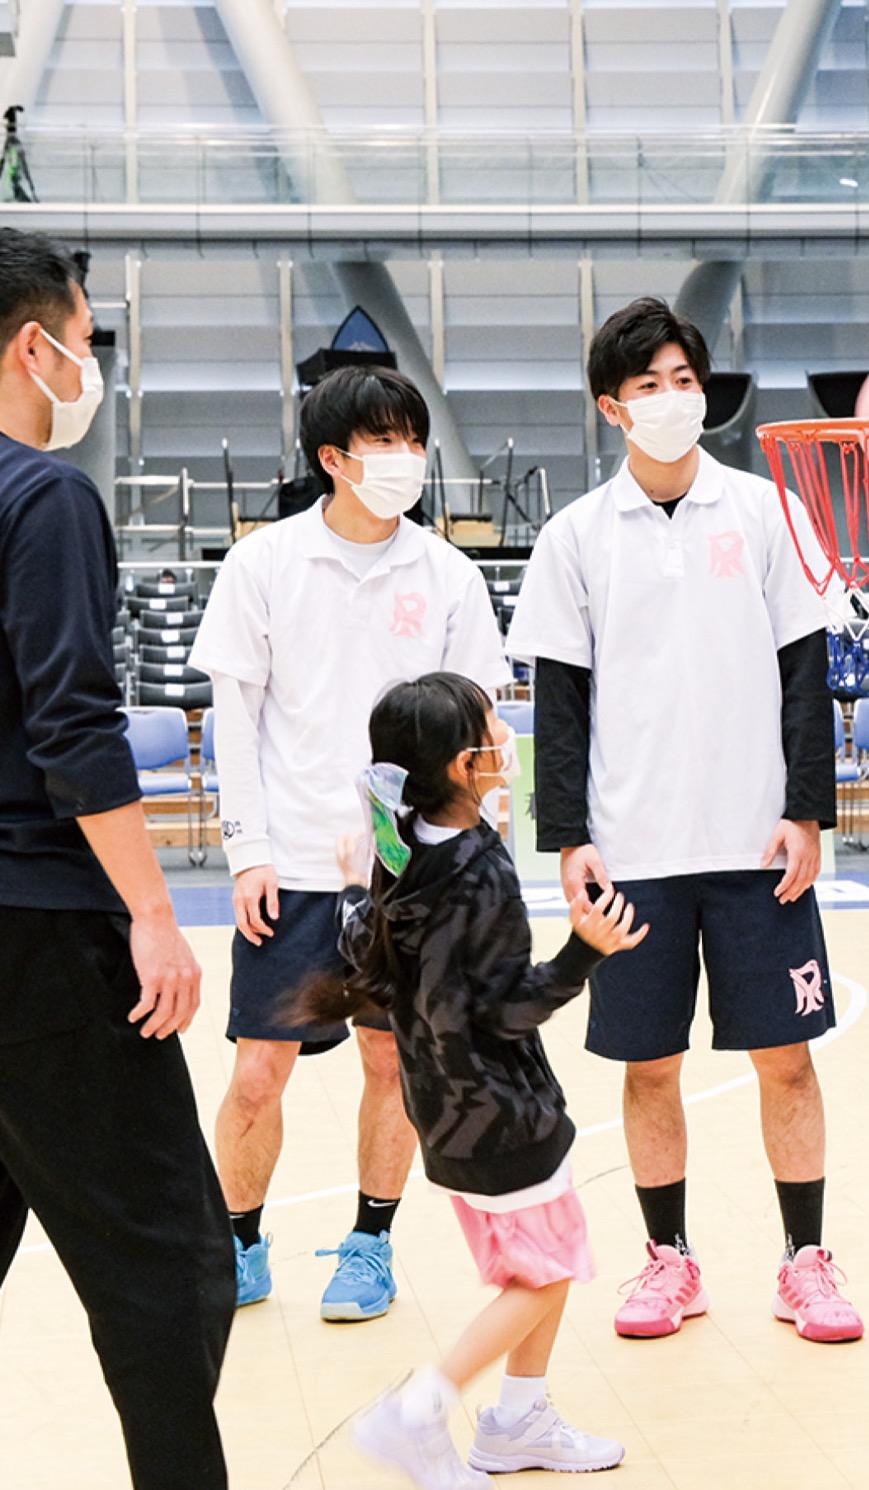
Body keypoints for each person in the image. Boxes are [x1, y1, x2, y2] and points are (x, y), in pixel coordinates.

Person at [505, 296, 863, 1344]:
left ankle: (806, 1262)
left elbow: (806, 674)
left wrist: (806, 811)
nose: (672, 399)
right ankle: (670, 1261)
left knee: (787, 1058)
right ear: (611, 407)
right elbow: (560, 704)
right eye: (649, 385)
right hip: (634, 851)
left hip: (758, 846)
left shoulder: (767, 512)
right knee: (647, 1063)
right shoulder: (576, 536)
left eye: (685, 380)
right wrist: (570, 838)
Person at [189, 365, 510, 1318]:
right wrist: (247, 851)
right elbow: (235, 722)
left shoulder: (448, 575)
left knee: (391, 1063)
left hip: (405, 875)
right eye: (383, 440)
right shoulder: (264, 564)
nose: (406, 456)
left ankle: (370, 1244)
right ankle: (238, 1243)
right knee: (259, 1072)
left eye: (414, 439)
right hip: (292, 866)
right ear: (332, 457)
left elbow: (481, 734)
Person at [0, 226, 234, 1487]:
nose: (93, 366)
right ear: (35, 347)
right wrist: (150, 907)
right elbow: (75, 725)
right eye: (89, 341)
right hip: (42, 930)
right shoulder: (42, 496)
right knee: (170, 1264)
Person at [297, 672, 642, 1488]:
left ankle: (518, 1420)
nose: (506, 740)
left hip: (445, 1110)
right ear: (464, 764)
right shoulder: (481, 871)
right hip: (501, 1114)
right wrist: (586, 951)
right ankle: (420, 1410)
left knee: (539, 1263)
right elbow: (509, 1009)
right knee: (546, 1276)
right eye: (494, 729)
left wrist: (349, 888)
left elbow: (362, 954)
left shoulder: (397, 847)